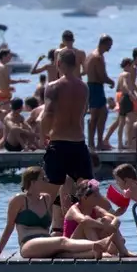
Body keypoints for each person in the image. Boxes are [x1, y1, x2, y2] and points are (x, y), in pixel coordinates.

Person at [40, 47, 94, 188]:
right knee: (87, 190)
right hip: (79, 143)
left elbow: (48, 113)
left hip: (59, 143)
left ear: (58, 64)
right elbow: (84, 112)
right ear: (76, 65)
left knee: (51, 191)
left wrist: (43, 135)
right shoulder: (84, 87)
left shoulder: (53, 87)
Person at [0, 165, 58, 260]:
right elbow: (9, 227)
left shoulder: (46, 198)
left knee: (68, 251)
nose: (47, 181)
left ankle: (88, 252)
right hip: (29, 244)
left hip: (47, 242)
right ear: (33, 182)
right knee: (63, 242)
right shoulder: (19, 200)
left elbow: (47, 228)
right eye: (43, 178)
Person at [61, 180, 127, 257]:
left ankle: (123, 250)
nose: (99, 197)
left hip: (86, 243)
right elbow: (84, 220)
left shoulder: (96, 209)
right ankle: (99, 247)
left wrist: (112, 226)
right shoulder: (74, 209)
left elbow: (115, 218)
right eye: (95, 195)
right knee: (86, 222)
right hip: (71, 244)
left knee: (107, 219)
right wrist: (103, 226)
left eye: (99, 193)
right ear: (84, 197)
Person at [85, 35, 114, 148]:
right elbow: (102, 76)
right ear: (104, 43)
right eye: (109, 45)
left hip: (91, 86)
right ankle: (98, 142)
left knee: (96, 115)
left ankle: (93, 142)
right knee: (100, 114)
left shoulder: (91, 54)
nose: (110, 48)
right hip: (96, 87)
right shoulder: (98, 57)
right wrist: (112, 82)